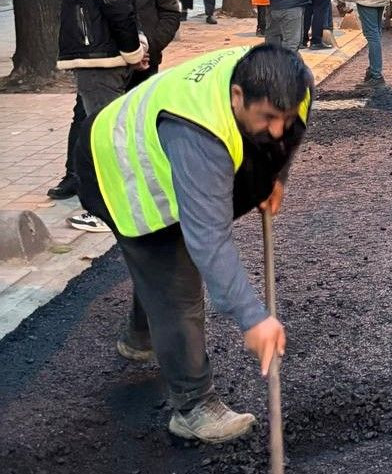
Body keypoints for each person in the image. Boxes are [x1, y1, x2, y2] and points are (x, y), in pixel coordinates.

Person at [75, 44, 311, 442]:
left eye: (283, 118)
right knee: (173, 280)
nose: (276, 130)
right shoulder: (199, 136)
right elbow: (209, 239)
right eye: (268, 118)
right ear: (238, 96)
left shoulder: (292, 82)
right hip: (116, 165)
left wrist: (278, 177)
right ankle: (193, 406)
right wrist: (253, 317)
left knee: (157, 270)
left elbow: (295, 127)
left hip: (156, 144)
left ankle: (140, 337)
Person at [46, 0, 146, 232]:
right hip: (98, 58)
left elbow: (118, 8)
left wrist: (132, 50)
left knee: (107, 135)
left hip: (101, 61)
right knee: (108, 131)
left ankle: (111, 211)